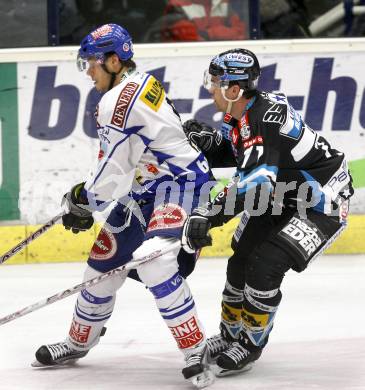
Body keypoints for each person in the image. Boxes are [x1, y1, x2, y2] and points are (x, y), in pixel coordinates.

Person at [32, 23, 215, 389]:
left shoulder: (116, 102)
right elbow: (124, 165)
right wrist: (88, 196)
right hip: (146, 191)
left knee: (155, 261)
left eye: (93, 64)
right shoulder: (141, 81)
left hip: (181, 186)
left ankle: (196, 349)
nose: (89, 73)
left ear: (114, 61)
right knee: (101, 267)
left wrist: (86, 200)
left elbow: (114, 169)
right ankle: (79, 342)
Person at [182, 48, 354, 376]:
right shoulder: (247, 112)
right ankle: (231, 334)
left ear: (234, 89)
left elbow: (255, 184)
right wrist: (210, 144)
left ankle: (249, 344)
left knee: (264, 266)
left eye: (215, 81)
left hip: (321, 203)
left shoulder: (262, 116)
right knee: (241, 261)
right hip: (284, 194)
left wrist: (207, 214)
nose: (209, 87)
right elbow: (246, 154)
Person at [160, 0, 246, 42]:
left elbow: (241, 33)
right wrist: (225, 33)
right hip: (187, 61)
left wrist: (211, 33)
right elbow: (190, 39)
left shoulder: (223, 2)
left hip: (224, 59)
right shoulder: (177, 4)